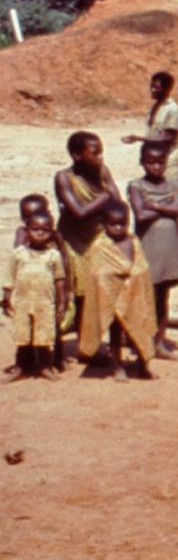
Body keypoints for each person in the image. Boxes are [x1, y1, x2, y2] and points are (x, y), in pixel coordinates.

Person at [77, 201, 156, 382]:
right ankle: (117, 366)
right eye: (113, 224)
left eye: (123, 223)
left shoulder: (133, 240)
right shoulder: (100, 246)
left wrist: (132, 278)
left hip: (134, 295)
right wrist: (115, 286)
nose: (119, 228)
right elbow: (98, 274)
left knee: (140, 328)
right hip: (111, 297)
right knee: (115, 334)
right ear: (103, 224)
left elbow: (141, 267)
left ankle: (143, 364)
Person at [54, 131, 122, 342]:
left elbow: (118, 205)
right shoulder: (64, 178)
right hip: (73, 241)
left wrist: (107, 198)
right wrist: (105, 196)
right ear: (77, 155)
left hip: (97, 237)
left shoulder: (102, 172)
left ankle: (93, 340)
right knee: (78, 294)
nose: (100, 157)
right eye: (95, 153)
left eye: (101, 152)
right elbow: (79, 212)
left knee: (101, 290)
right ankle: (82, 343)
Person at [127, 141, 178, 359]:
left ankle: (160, 342)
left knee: (163, 296)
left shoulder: (171, 184)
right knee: (145, 296)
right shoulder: (136, 186)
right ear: (142, 163)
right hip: (149, 247)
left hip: (169, 247)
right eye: (151, 162)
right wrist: (169, 208)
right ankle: (140, 341)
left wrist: (156, 205)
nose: (156, 167)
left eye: (160, 163)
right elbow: (140, 215)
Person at [2, 210, 67, 382]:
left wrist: (62, 301)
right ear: (27, 230)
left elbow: (60, 278)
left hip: (45, 302)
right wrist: (6, 297)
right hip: (22, 302)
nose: (39, 233)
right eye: (35, 229)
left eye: (44, 230)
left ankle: (44, 366)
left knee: (44, 336)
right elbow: (10, 276)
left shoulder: (53, 255)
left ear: (51, 233)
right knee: (23, 336)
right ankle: (20, 367)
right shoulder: (19, 253)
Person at [12, 194, 72, 372]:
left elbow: (65, 258)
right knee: (27, 324)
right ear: (24, 218)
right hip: (29, 287)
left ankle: (57, 357)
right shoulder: (22, 233)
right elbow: (18, 254)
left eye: (41, 213)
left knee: (54, 323)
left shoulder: (54, 234)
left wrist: (67, 287)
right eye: (29, 216)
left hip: (50, 286)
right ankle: (27, 360)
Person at [121, 71, 178, 186]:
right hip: (158, 159)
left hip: (171, 159)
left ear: (167, 89)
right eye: (151, 86)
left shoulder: (172, 109)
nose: (152, 90)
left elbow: (167, 137)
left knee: (170, 194)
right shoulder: (157, 106)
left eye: (156, 87)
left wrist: (139, 139)